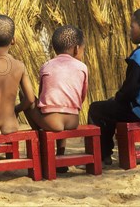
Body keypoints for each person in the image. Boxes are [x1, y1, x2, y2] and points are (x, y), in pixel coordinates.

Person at [88, 7, 140, 165]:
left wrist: (117, 98)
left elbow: (130, 90)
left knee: (97, 109)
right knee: (112, 108)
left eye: (132, 26)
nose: (129, 30)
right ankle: (105, 152)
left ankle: (102, 154)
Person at [23, 25, 88, 172]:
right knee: (62, 105)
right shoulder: (82, 67)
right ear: (77, 49)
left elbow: (41, 97)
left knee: (28, 101)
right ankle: (61, 156)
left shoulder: (46, 66)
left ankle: (40, 138)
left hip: (50, 122)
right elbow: (82, 95)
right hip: (73, 120)